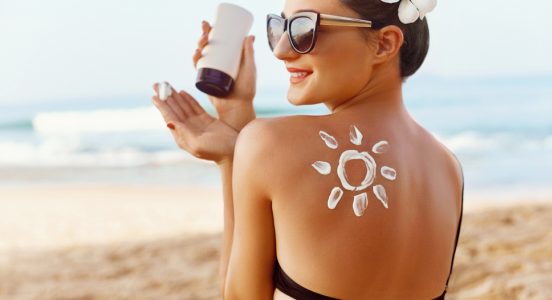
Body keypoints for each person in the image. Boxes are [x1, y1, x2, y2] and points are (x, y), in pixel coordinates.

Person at [152, 0, 464, 298]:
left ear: (384, 44)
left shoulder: (268, 143)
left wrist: (231, 157)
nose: (281, 50)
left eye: (305, 29)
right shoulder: (449, 167)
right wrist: (238, 117)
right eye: (280, 28)